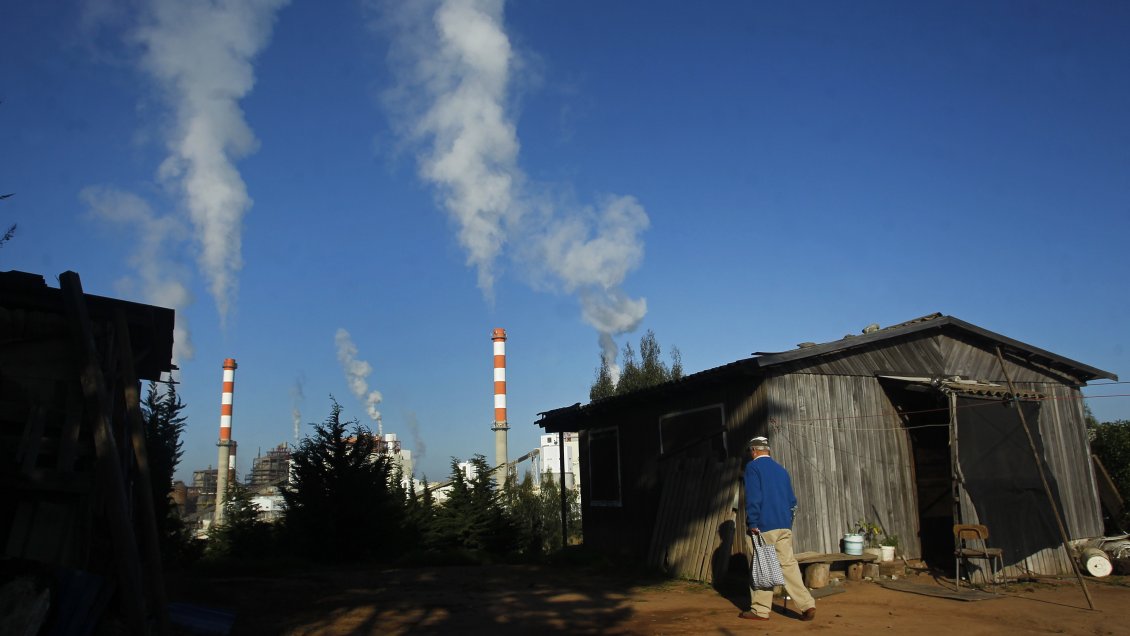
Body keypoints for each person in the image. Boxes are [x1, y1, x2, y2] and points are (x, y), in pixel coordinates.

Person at [740, 436, 816, 622]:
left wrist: (753, 523)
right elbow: (792, 501)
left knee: (762, 566)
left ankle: (760, 610)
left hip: (763, 526)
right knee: (788, 565)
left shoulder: (753, 467)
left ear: (753, 451)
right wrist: (787, 521)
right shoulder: (782, 470)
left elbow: (754, 498)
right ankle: (807, 604)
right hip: (783, 525)